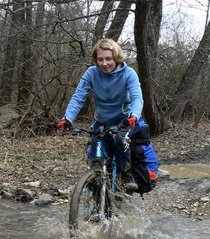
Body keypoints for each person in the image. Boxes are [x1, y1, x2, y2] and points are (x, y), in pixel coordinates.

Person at [56, 38, 144, 192]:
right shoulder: (92, 73)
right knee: (96, 156)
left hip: (124, 121)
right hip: (102, 121)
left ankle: (126, 172)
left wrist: (134, 116)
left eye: (108, 59)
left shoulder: (128, 73)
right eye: (100, 59)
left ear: (116, 57)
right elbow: (78, 97)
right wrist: (67, 118)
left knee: (120, 140)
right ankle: (96, 189)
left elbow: (137, 97)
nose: (104, 63)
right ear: (95, 60)